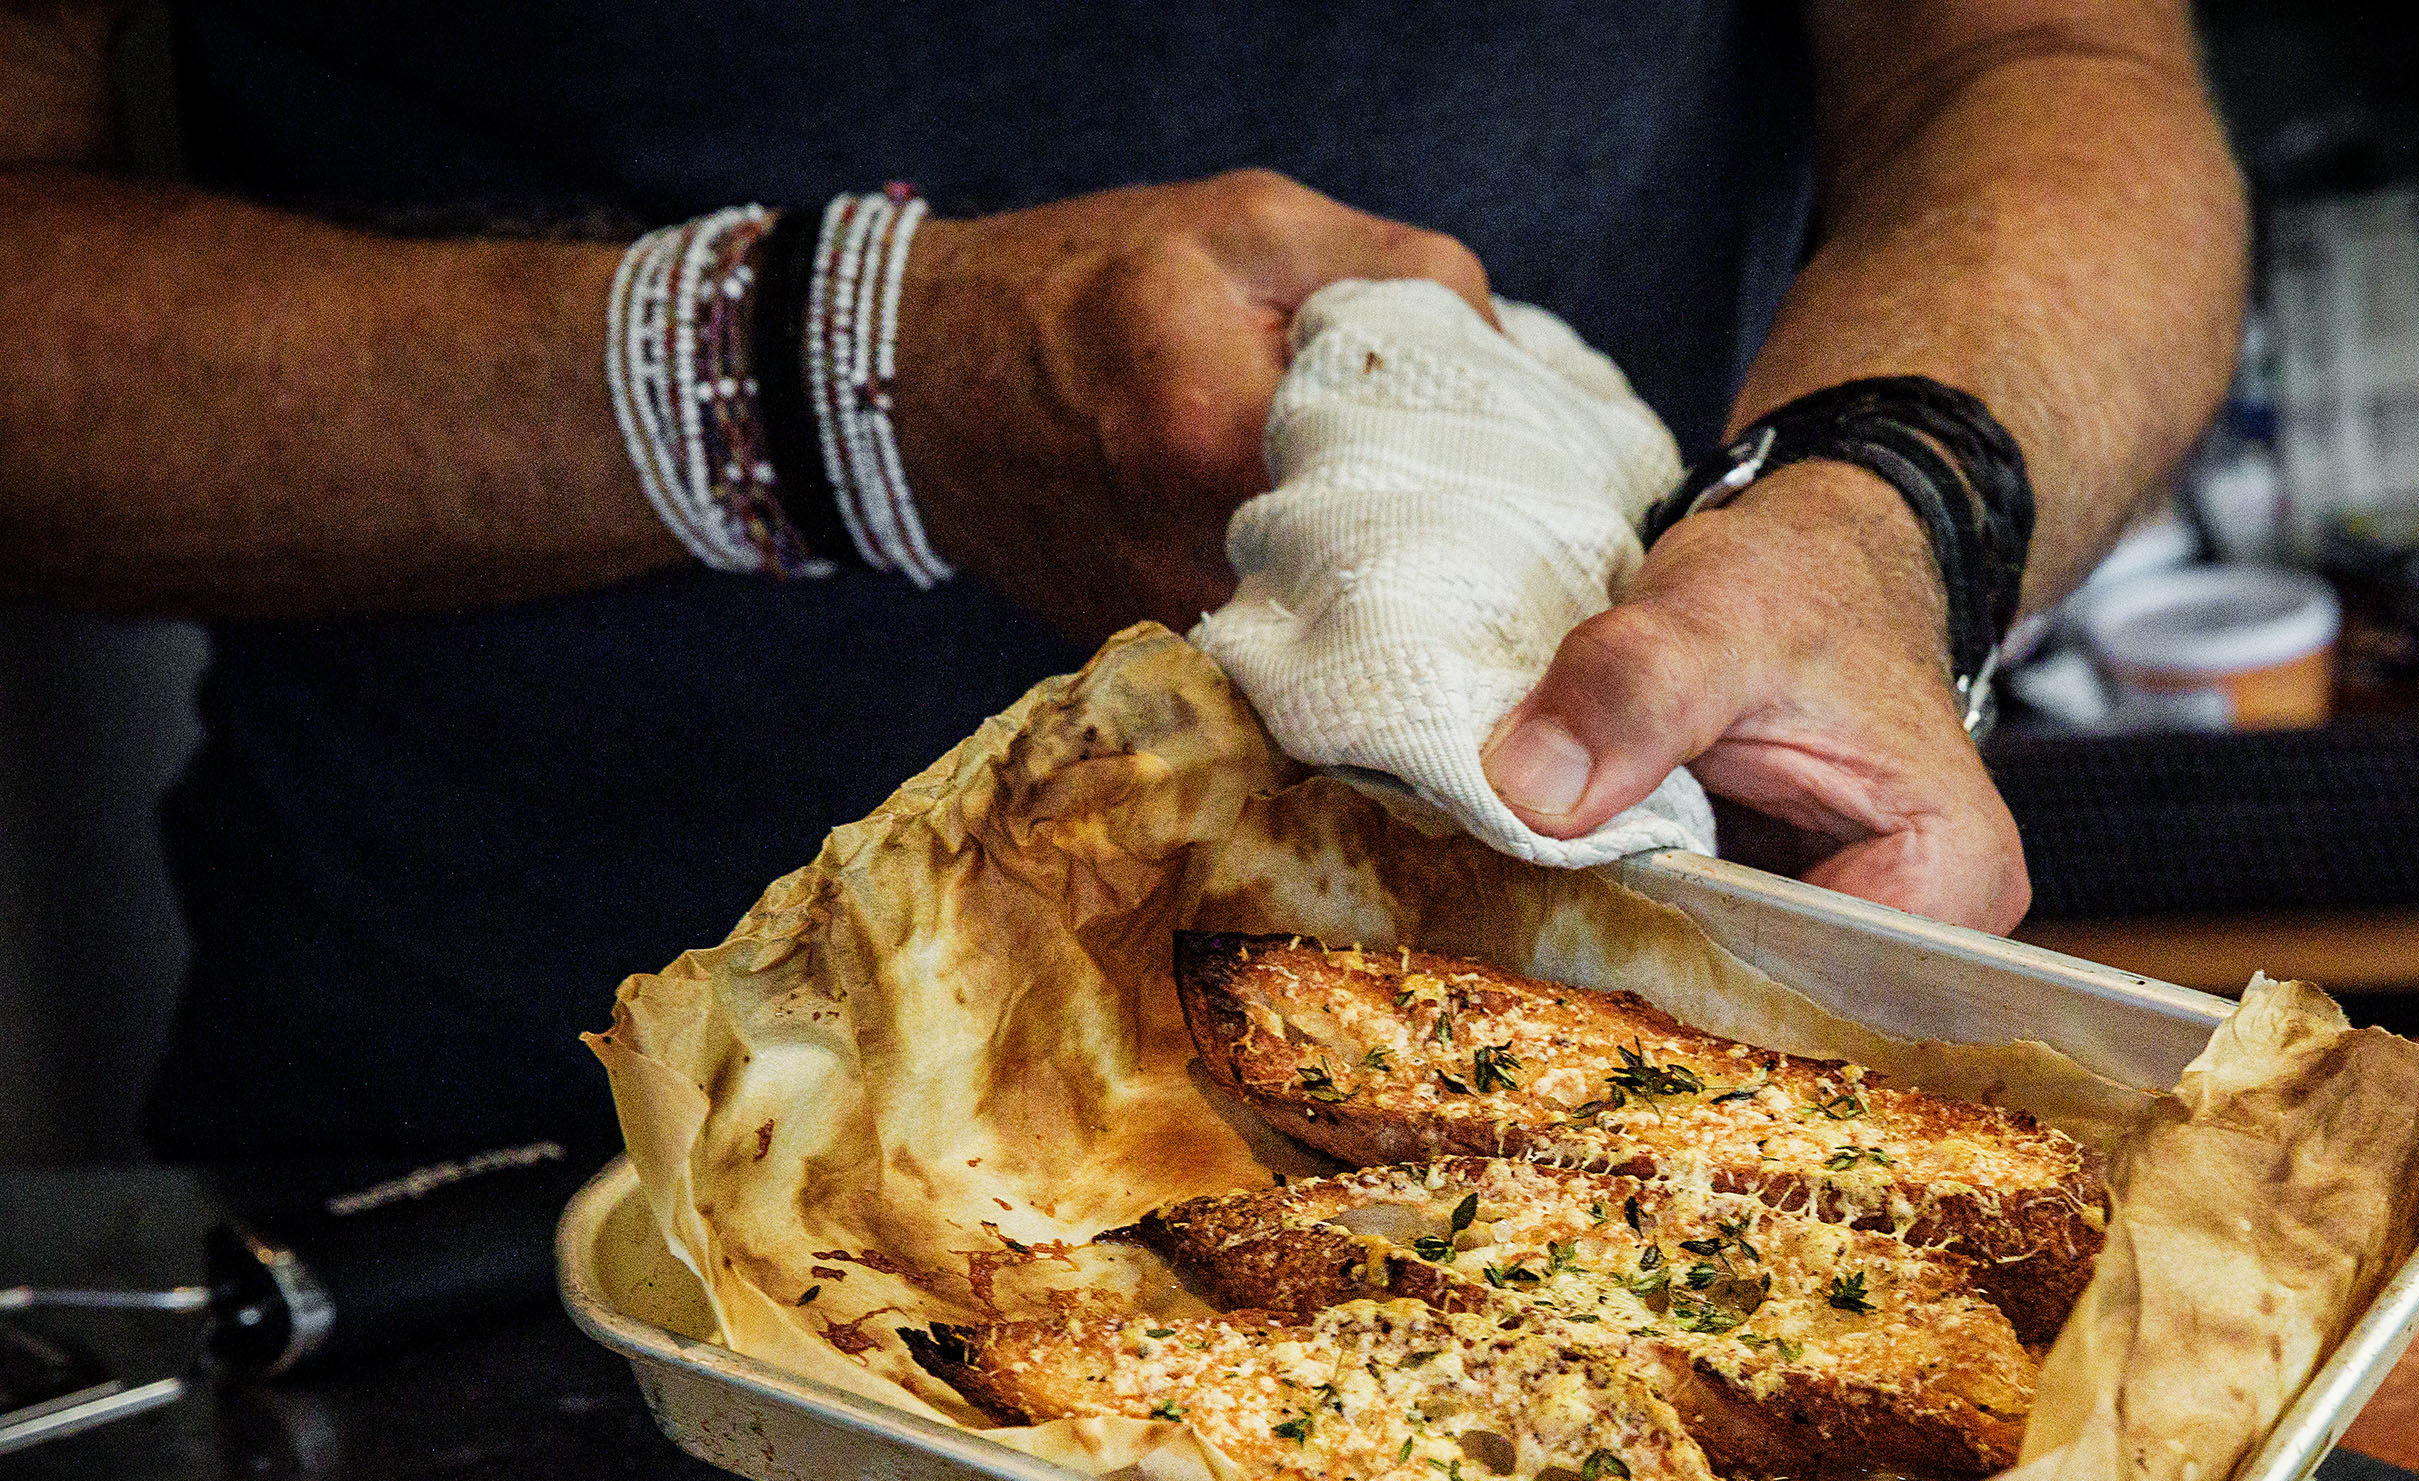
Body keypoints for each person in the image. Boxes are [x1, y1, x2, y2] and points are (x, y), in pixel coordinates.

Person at [0, 0, 2244, 1158]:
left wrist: (1880, 507)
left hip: (1563, 1123)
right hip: (496, 1189)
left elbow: (2038, 58)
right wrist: (821, 378)